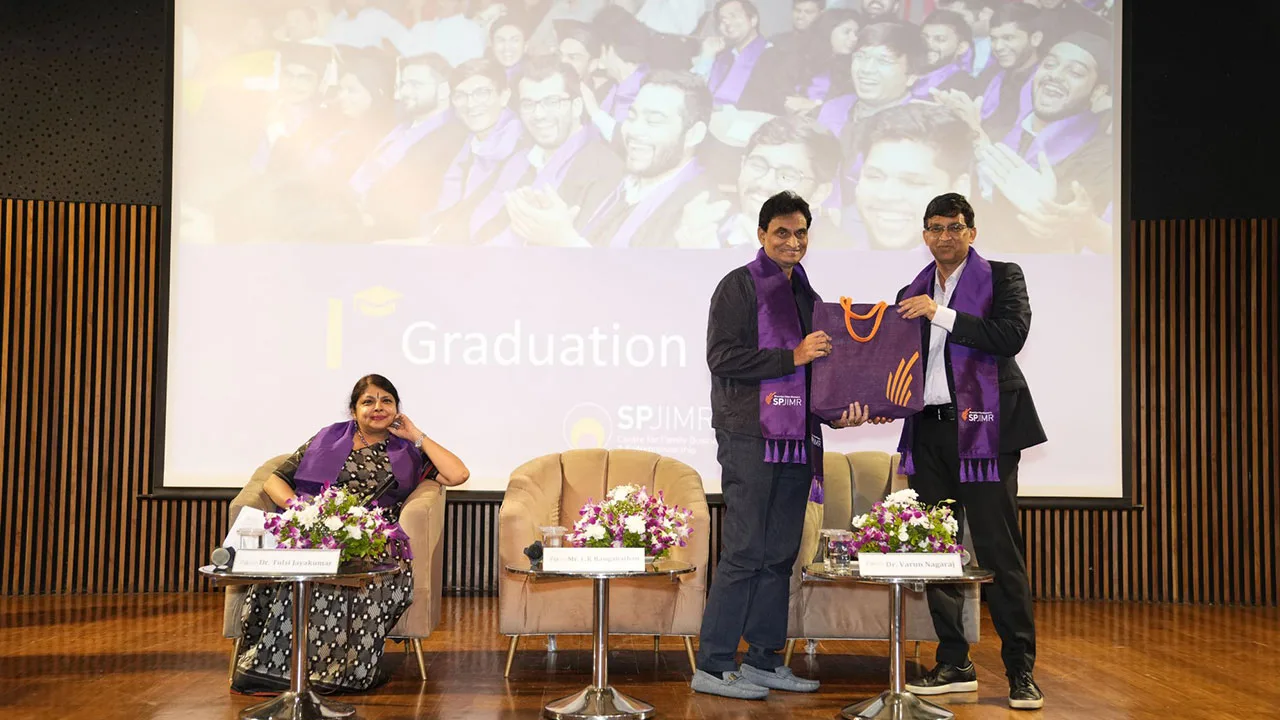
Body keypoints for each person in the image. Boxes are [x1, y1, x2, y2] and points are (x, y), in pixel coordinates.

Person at [692, 190, 874, 700]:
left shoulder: (806, 295)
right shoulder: (738, 285)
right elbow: (722, 357)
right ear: (761, 235)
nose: (792, 241)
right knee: (746, 550)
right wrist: (790, 354)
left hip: (798, 439)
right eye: (781, 233)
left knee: (779, 554)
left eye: (800, 233)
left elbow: (818, 372)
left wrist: (842, 411)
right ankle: (713, 663)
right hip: (750, 433)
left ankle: (764, 660)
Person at [892, 193, 1046, 710]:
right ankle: (954, 661)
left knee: (999, 553)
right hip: (930, 432)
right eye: (934, 227)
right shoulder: (909, 291)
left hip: (987, 432)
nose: (944, 236)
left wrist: (943, 314)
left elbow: (1010, 336)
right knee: (938, 552)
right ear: (924, 234)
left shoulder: (1004, 278)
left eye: (954, 227)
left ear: (971, 232)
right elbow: (897, 367)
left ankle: (1020, 670)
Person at [232, 374, 469, 694]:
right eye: (368, 401)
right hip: (314, 530)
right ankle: (269, 670)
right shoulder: (327, 438)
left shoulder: (408, 451)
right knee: (305, 566)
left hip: (373, 537)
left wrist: (416, 435)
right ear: (354, 409)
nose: (378, 407)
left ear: (397, 409)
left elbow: (458, 474)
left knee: (359, 571)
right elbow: (275, 480)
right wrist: (304, 512)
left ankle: (339, 673)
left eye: (387, 400)